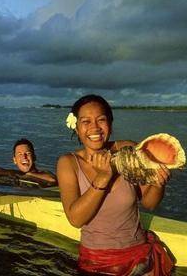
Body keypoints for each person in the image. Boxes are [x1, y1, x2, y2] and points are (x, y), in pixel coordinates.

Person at [56, 94, 174, 275]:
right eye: (86, 121)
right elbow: (75, 219)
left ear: (110, 124)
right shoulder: (68, 163)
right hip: (97, 264)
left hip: (140, 260)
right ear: (77, 128)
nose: (95, 127)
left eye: (101, 120)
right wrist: (103, 177)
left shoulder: (128, 151)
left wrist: (159, 183)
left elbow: (149, 204)